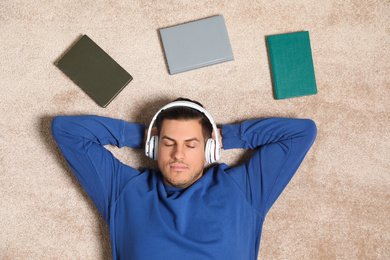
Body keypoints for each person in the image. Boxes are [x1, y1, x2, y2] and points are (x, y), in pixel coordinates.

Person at [51, 97, 317, 260]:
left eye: (191, 145)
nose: (178, 154)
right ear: (155, 147)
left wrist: (228, 136)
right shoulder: (123, 190)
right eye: (168, 143)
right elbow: (66, 130)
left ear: (208, 150)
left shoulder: (244, 189)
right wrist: (143, 136)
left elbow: (302, 132)